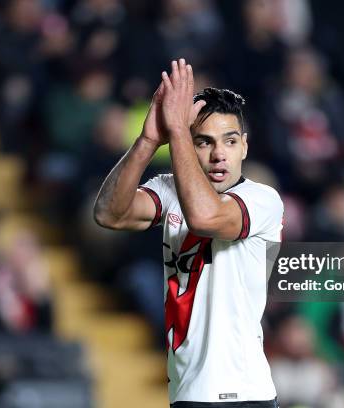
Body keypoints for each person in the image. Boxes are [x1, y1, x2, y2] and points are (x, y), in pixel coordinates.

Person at [93, 58, 283, 407]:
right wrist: (149, 140)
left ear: (245, 145)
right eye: (204, 142)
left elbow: (204, 218)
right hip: (187, 393)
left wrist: (179, 130)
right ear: (189, 148)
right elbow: (109, 213)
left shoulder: (262, 200)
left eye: (228, 141)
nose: (218, 155)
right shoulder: (169, 189)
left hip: (244, 395)